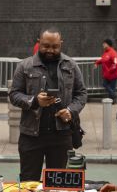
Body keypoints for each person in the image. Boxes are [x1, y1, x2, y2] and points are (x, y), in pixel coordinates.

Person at [9, 28, 87, 182]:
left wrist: (71, 111)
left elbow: (81, 93)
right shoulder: (25, 66)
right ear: (39, 43)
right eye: (46, 46)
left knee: (57, 186)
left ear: (61, 44)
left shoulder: (71, 65)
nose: (50, 50)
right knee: (28, 183)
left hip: (62, 135)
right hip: (31, 135)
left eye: (55, 46)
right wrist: (34, 101)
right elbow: (14, 94)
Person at [94, 38, 117, 103]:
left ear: (108, 44)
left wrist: (109, 71)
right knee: (107, 86)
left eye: (104, 43)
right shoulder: (105, 53)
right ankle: (113, 98)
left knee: (111, 88)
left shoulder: (113, 53)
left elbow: (115, 63)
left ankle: (113, 99)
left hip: (113, 74)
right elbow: (103, 60)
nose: (103, 45)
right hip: (107, 74)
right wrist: (97, 63)